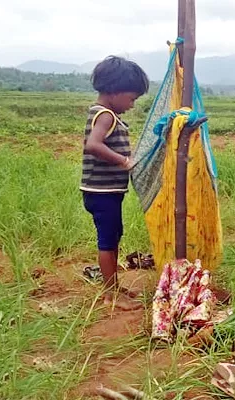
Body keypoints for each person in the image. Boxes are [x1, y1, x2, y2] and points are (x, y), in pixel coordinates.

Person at [80, 56, 149, 311]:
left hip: (106, 192)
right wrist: (124, 161)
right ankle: (110, 295)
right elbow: (93, 145)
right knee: (107, 241)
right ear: (114, 91)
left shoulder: (106, 113)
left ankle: (114, 285)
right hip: (101, 192)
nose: (132, 105)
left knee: (114, 237)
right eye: (131, 99)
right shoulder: (106, 116)